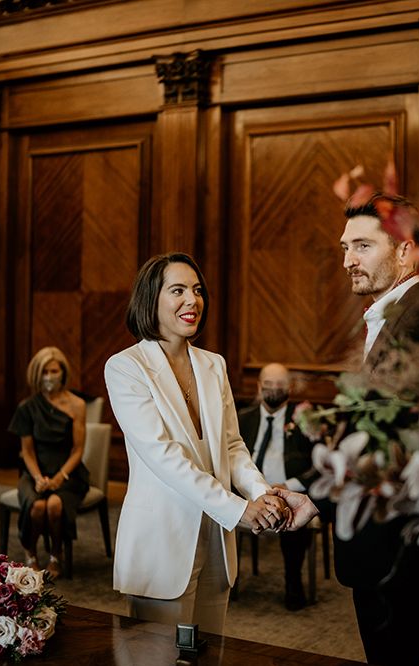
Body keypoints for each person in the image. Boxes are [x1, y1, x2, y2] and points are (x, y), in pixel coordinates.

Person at [104, 252, 317, 635]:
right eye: (178, 290)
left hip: (217, 540)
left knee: (208, 652)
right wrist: (240, 510)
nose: (193, 300)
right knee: (156, 657)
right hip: (161, 542)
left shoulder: (213, 364)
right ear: (151, 298)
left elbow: (232, 446)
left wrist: (264, 494)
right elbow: (164, 456)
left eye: (198, 290)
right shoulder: (125, 367)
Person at [319, 191, 419, 666]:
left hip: (395, 540)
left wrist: (315, 496)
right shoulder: (393, 320)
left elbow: (392, 446)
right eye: (345, 247)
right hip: (381, 538)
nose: (348, 260)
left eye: (362, 246)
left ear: (406, 250)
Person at [238, 363, 315, 611]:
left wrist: (288, 486)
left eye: (279, 385)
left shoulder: (305, 419)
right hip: (248, 493)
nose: (273, 390)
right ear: (259, 387)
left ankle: (293, 580)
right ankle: (228, 578)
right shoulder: (242, 419)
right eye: (268, 385)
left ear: (289, 388)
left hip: (289, 490)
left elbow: (318, 466)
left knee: (290, 508)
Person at [8, 346, 90, 578]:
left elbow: (78, 449)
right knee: (37, 506)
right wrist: (38, 478)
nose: (49, 377)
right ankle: (30, 552)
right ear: (36, 374)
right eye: (44, 372)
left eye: (54, 371)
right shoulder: (27, 407)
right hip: (34, 472)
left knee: (54, 505)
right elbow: (27, 452)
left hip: (69, 473)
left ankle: (56, 553)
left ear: (63, 373)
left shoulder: (77, 405)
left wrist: (58, 478)